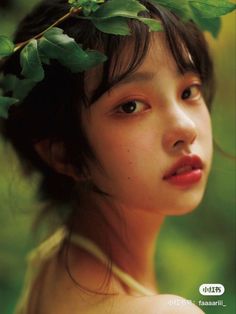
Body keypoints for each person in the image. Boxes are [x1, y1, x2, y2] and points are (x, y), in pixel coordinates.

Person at [0, 0, 233, 313]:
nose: (185, 128)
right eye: (131, 106)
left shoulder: (53, 262)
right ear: (64, 153)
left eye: (188, 91)